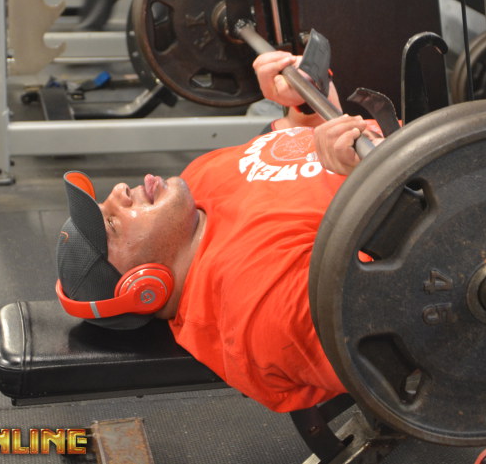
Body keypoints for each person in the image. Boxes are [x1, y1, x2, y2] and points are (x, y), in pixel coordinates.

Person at [56, 51, 382, 412]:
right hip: (425, 166)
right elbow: (404, 319)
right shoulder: (256, 307)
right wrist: (374, 175)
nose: (119, 191)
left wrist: (303, 100)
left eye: (104, 203)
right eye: (112, 223)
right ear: (145, 285)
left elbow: (300, 146)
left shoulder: (195, 182)